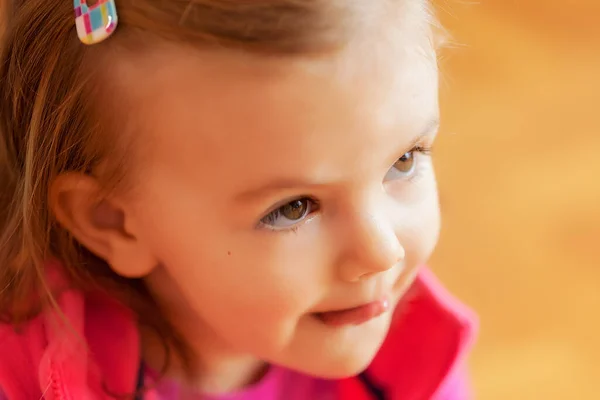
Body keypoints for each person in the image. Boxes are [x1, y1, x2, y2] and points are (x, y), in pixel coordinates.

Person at [0, 0, 477, 398]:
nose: (382, 252)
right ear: (113, 222)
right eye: (293, 207)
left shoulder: (414, 352)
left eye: (404, 160)